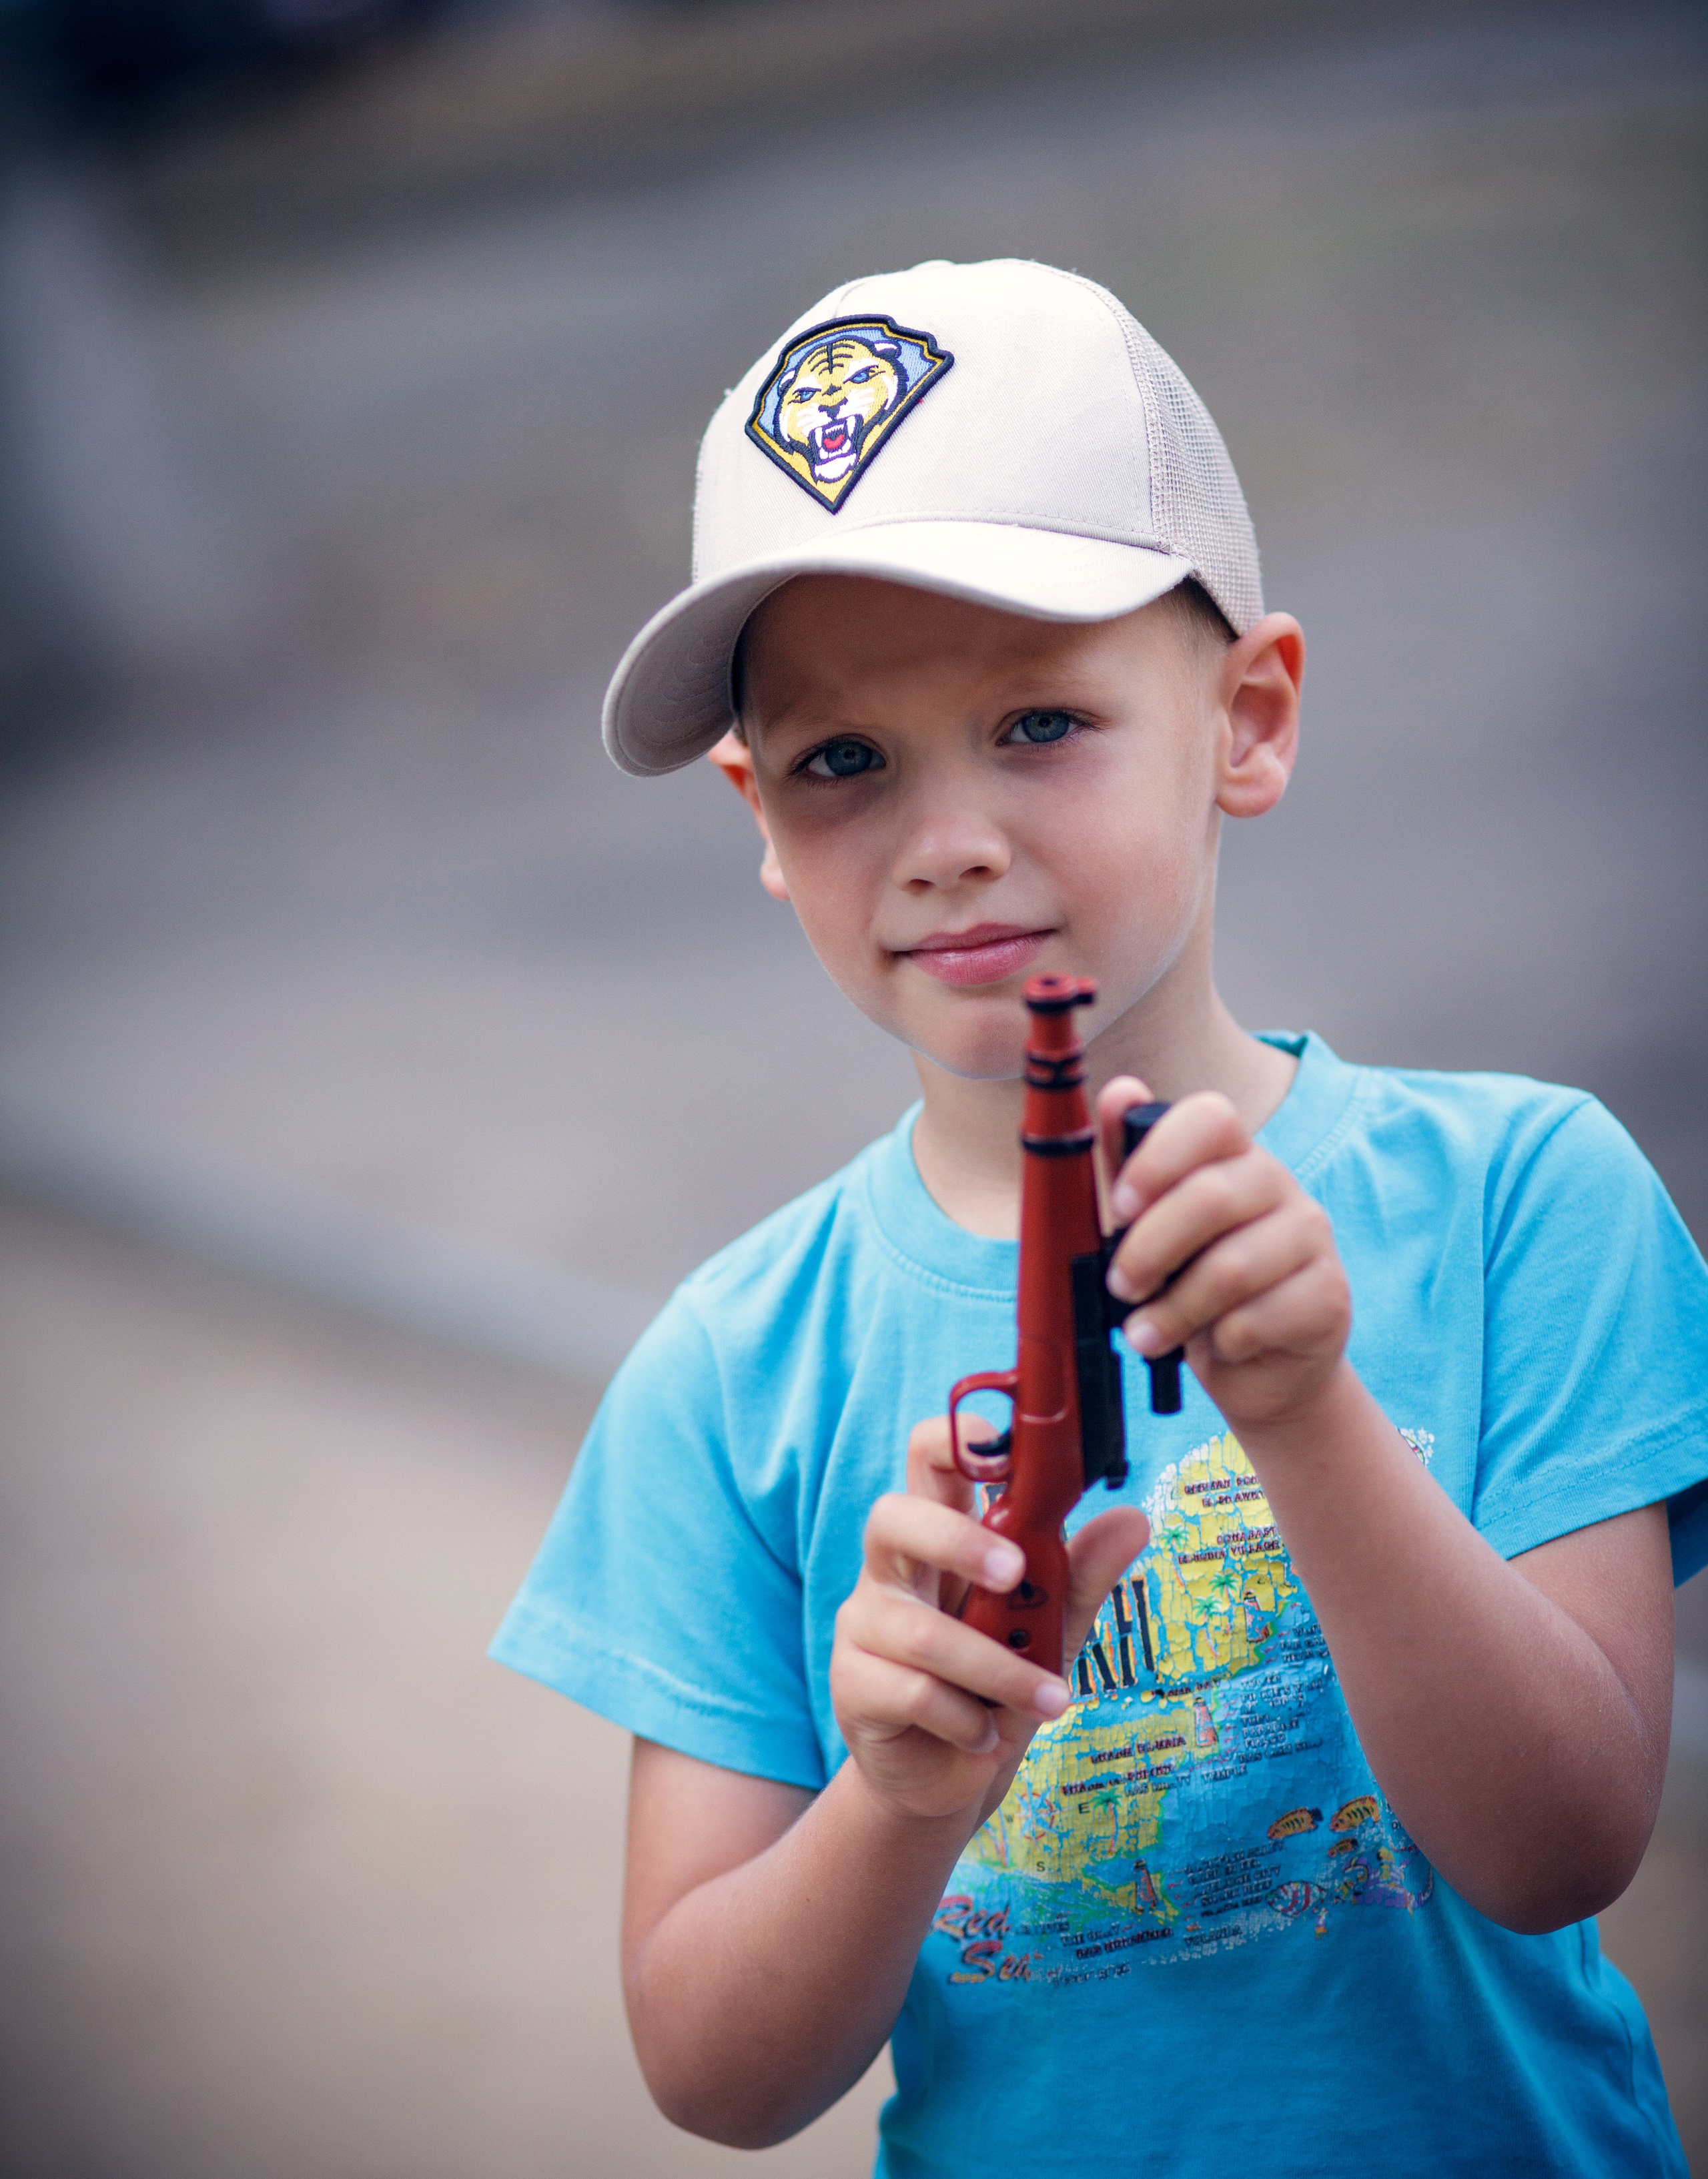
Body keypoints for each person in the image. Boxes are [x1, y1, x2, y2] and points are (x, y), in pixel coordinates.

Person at [492, 259, 1708, 2175]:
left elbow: (1566, 1844)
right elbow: (717, 2072)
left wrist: (1307, 1413)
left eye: (1039, 721)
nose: (946, 840)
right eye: (839, 761)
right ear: (755, 812)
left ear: (1249, 718)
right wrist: (900, 1795)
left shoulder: (1525, 1199)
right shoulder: (726, 1370)